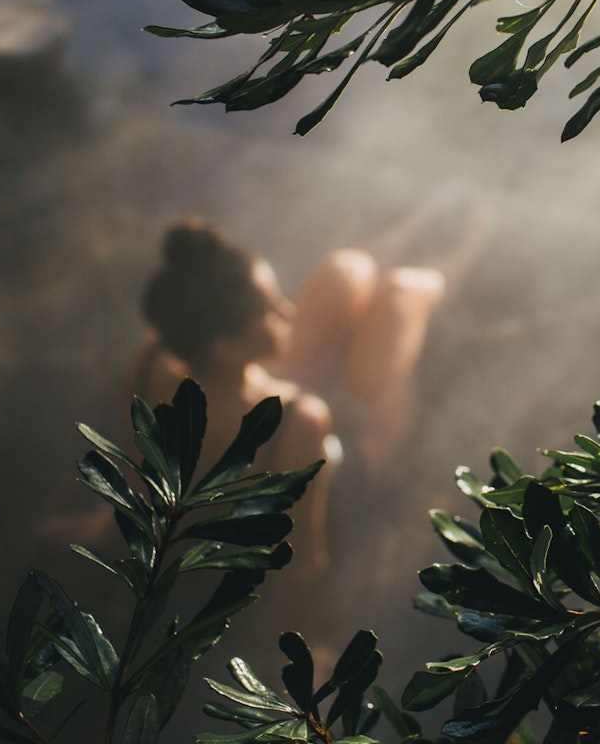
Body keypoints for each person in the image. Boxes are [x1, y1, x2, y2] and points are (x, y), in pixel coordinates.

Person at [125, 217, 447, 572]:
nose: (288, 311)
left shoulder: (153, 355)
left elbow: (132, 473)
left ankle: (422, 224)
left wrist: (105, 525)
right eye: (271, 310)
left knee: (348, 270)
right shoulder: (298, 422)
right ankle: (456, 258)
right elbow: (303, 562)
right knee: (405, 293)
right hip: (341, 481)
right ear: (226, 346)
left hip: (255, 401)